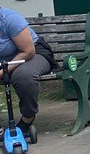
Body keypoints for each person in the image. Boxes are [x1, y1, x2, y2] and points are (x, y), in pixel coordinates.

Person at [0, 9, 53, 140]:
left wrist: (3, 71)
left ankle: (27, 118)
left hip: (30, 54)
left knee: (24, 76)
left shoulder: (10, 19)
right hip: (3, 60)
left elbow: (28, 50)